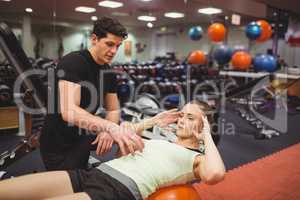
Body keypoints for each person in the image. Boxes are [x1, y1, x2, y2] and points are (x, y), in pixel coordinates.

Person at [0, 100, 225, 200]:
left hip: (116, 191)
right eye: (181, 115)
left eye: (189, 117)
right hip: (93, 173)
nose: (181, 120)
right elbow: (124, 134)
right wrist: (153, 121)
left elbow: (215, 175)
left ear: (203, 125)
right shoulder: (163, 142)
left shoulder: (197, 159)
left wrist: (206, 133)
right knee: (6, 190)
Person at [39, 17, 144, 171]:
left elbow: (113, 110)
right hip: (57, 143)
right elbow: (69, 112)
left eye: (118, 46)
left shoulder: (108, 72)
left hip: (82, 138)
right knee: (69, 187)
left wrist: (108, 130)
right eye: (109, 44)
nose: (114, 51)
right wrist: (110, 127)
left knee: (129, 140)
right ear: (94, 39)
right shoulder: (74, 62)